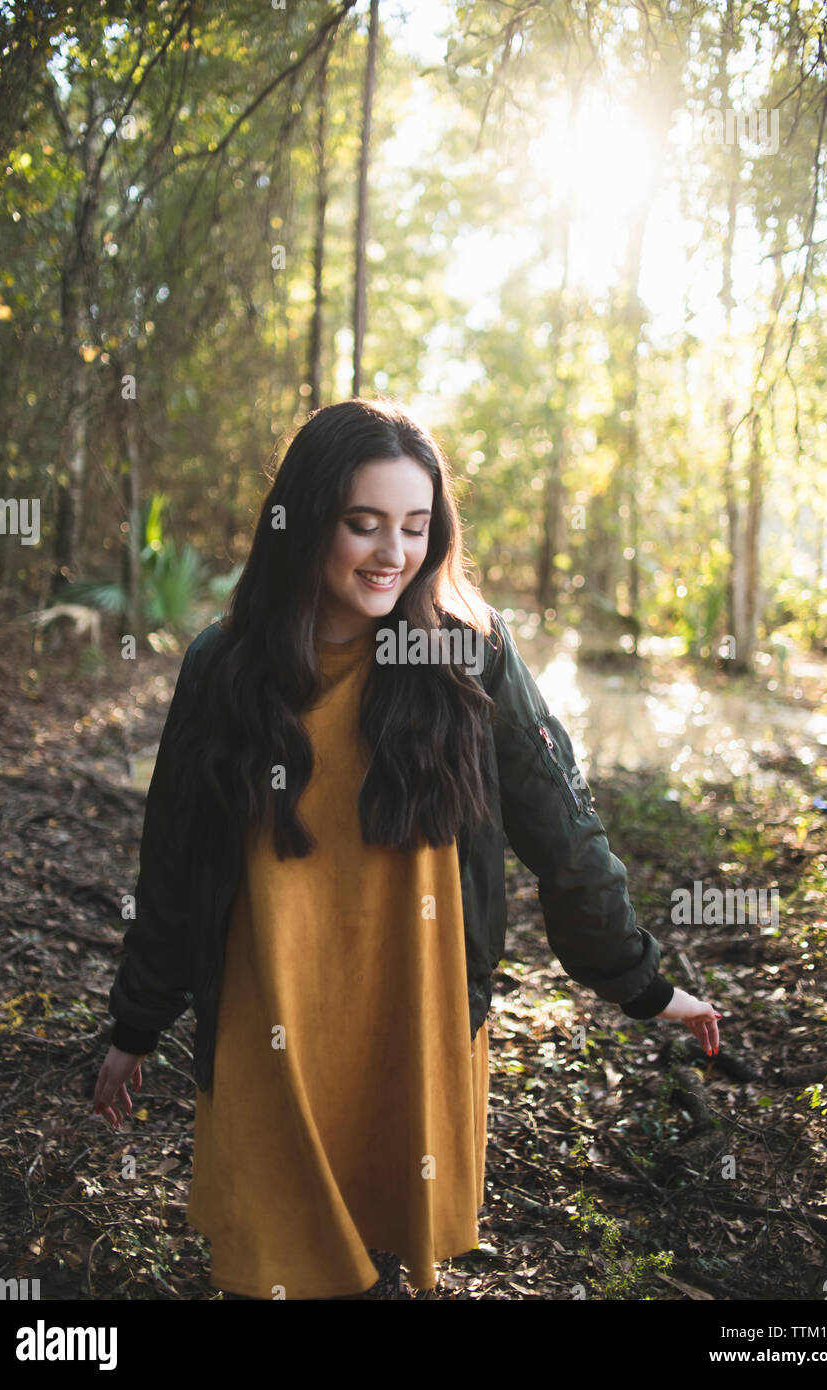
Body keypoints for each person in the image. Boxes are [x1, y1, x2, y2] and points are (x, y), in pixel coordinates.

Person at [93, 396, 721, 1301]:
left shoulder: (470, 657)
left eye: (417, 528)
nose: (394, 554)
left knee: (382, 1261)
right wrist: (135, 1024)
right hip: (270, 1033)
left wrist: (640, 981)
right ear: (307, 520)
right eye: (364, 524)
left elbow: (565, 829)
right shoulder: (223, 668)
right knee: (271, 1272)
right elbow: (176, 864)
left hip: (412, 1025)